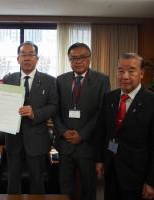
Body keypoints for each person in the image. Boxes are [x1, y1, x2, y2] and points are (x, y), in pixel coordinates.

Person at [96, 53, 154, 200]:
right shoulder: (109, 98)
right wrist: (100, 160)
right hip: (111, 171)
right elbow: (103, 132)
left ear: (141, 74)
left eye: (131, 71)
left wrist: (153, 182)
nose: (125, 76)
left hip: (138, 177)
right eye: (120, 71)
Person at [0, 41, 58, 194]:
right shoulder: (9, 78)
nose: (27, 58)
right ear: (18, 59)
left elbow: (53, 106)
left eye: (31, 54)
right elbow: (2, 106)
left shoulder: (49, 81)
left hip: (37, 139)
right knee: (13, 180)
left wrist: (34, 113)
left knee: (37, 180)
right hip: (13, 139)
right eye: (23, 54)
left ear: (37, 58)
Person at [53, 42, 110, 200]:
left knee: (89, 187)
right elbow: (54, 110)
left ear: (89, 59)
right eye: (74, 58)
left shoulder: (102, 80)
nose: (78, 61)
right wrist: (64, 132)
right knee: (64, 187)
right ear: (69, 60)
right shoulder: (60, 80)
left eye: (82, 57)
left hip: (87, 145)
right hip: (65, 145)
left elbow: (101, 112)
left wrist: (82, 134)